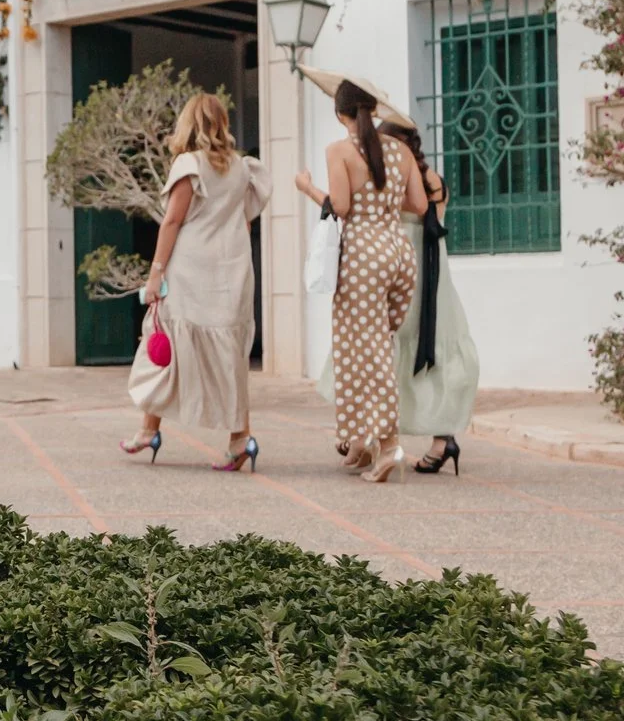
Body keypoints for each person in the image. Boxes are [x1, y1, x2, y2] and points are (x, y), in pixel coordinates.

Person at [313, 121, 480, 472]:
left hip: (397, 264)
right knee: (432, 349)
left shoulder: (394, 182)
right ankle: (441, 436)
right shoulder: (433, 179)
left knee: (380, 347)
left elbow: (353, 208)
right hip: (435, 272)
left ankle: (368, 432)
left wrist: (310, 189)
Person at [119, 93, 272, 470]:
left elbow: (172, 221)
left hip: (191, 272)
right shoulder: (243, 168)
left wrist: (155, 273)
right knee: (230, 359)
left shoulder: (188, 164)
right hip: (232, 271)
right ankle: (240, 440)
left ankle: (148, 430)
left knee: (165, 347)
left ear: (188, 123)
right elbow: (245, 219)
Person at [294, 79, 427, 482]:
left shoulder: (339, 150)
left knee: (367, 351)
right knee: (364, 345)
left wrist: (307, 188)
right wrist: (385, 199)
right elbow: (419, 205)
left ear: (341, 114)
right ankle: (360, 439)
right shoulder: (400, 150)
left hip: (362, 256)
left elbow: (342, 206)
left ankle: (387, 445)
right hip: (399, 253)